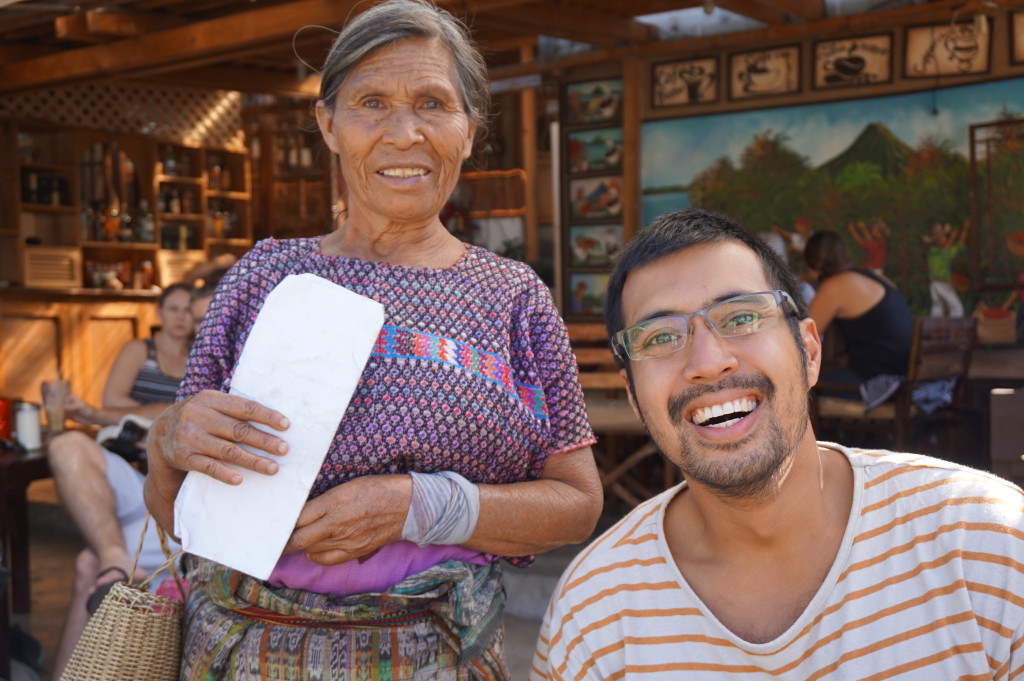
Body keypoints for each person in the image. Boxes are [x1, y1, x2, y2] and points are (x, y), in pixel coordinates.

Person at [143, 2, 603, 678]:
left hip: (436, 651)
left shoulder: (514, 299)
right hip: (241, 650)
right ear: (329, 124)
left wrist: (419, 505)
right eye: (372, 102)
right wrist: (165, 442)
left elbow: (577, 503)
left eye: (432, 103)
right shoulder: (265, 276)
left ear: (470, 129)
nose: (404, 132)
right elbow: (179, 513)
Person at [530, 208, 1024, 679]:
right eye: (659, 338)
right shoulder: (593, 614)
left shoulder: (988, 546)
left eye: (742, 317)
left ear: (810, 352)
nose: (708, 360)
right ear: (635, 398)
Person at [47, 282, 194, 678]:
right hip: (136, 475)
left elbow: (193, 410)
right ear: (160, 313)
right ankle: (115, 556)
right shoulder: (139, 350)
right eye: (175, 309)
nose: (183, 317)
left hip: (182, 500)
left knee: (85, 564)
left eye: (190, 311)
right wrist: (165, 415)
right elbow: (110, 409)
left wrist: (157, 417)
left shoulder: (206, 352)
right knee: (66, 445)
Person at [802, 230, 913, 394]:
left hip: (880, 381)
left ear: (812, 268)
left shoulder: (834, 286)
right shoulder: (873, 276)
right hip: (905, 373)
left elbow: (803, 339)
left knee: (798, 387)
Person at [925, 219, 969, 317]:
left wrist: (965, 229)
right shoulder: (934, 252)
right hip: (940, 283)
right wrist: (952, 238)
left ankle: (938, 330)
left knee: (938, 308)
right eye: (942, 237)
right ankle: (952, 329)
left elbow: (959, 246)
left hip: (940, 283)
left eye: (945, 236)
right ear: (936, 240)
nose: (945, 238)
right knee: (957, 308)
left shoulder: (945, 251)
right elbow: (946, 251)